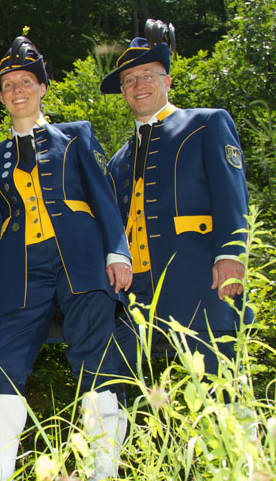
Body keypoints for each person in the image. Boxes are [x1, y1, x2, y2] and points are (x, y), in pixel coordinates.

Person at [0, 37, 132, 481]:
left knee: (97, 362)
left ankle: (105, 478)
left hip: (82, 261)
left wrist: (117, 251)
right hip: (20, 271)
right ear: (1, 98)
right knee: (4, 365)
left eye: (25, 81)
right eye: (8, 85)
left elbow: (105, 199)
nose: (17, 90)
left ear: (42, 88)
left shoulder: (77, 135)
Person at [101, 20, 251, 377]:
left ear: (167, 81)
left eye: (148, 76)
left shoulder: (205, 124)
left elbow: (231, 194)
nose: (139, 85)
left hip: (198, 278)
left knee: (221, 384)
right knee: (109, 377)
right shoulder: (117, 160)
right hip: (136, 295)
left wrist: (231, 256)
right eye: (130, 80)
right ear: (122, 91)